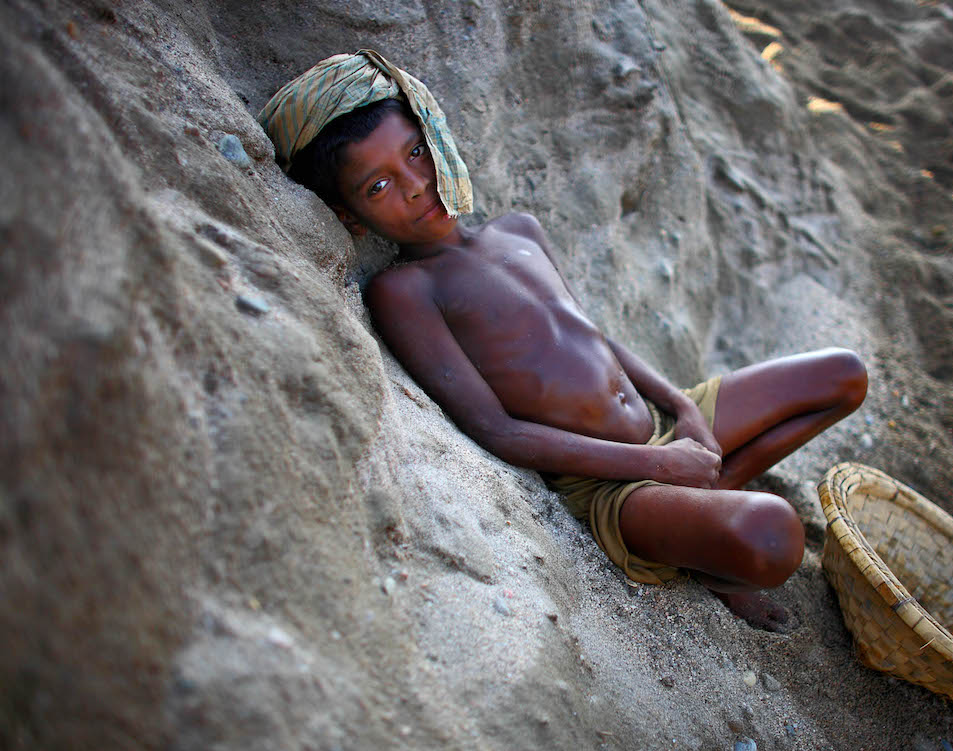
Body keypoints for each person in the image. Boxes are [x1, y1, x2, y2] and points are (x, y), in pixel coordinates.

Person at [259, 51, 867, 631]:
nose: (416, 185)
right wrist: (656, 464)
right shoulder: (406, 291)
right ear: (349, 217)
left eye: (416, 152)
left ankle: (711, 495)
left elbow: (595, 337)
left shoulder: (518, 231)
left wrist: (683, 411)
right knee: (772, 537)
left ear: (435, 134)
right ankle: (709, 545)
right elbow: (497, 431)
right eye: (378, 187)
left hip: (659, 423)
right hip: (611, 483)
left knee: (841, 376)